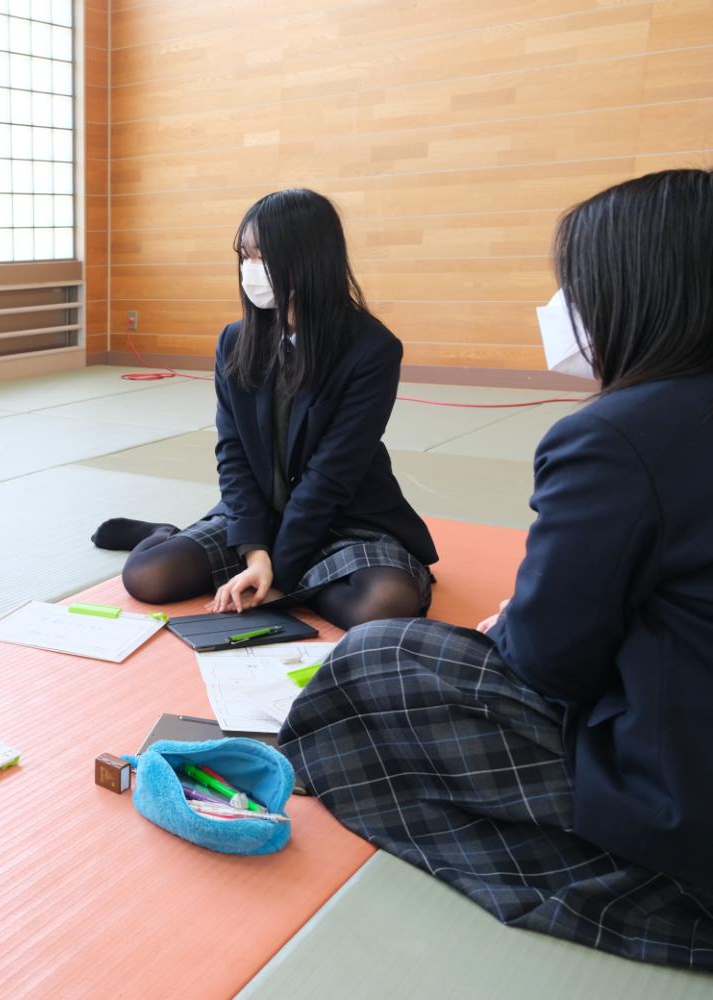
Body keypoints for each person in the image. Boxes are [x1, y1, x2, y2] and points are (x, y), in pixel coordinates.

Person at [279, 168, 713, 967]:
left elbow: (550, 661)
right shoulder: (244, 342)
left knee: (382, 648)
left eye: (572, 286)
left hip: (678, 780)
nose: (559, 309)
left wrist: (517, 624)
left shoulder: (613, 434)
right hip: (264, 530)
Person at [93, 189, 436, 628]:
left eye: (262, 257)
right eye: (245, 256)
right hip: (261, 512)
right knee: (148, 577)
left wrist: (280, 574)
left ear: (309, 259)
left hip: (345, 518)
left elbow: (332, 476)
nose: (249, 269)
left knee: (383, 605)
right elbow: (232, 451)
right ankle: (163, 534)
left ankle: (283, 576)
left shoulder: (372, 349)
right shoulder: (236, 340)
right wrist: (256, 552)